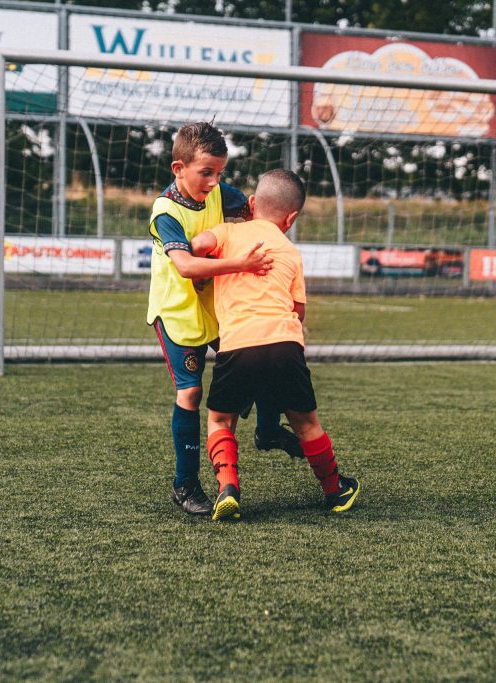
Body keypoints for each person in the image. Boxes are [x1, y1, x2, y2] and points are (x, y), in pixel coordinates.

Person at [147, 122, 302, 517]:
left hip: (217, 309)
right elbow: (183, 266)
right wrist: (242, 263)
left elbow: (259, 215)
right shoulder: (165, 211)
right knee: (191, 393)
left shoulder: (219, 192)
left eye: (220, 173)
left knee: (261, 356)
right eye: (206, 173)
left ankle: (266, 431)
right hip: (178, 314)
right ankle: (185, 485)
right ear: (178, 168)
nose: (215, 183)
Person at [190, 169, 361, 521]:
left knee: (221, 419)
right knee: (306, 423)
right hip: (285, 344)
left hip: (237, 344)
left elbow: (197, 247)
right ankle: (335, 490)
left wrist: (209, 268)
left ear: (252, 204)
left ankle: (228, 488)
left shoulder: (228, 232)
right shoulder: (291, 251)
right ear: (292, 218)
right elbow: (297, 312)